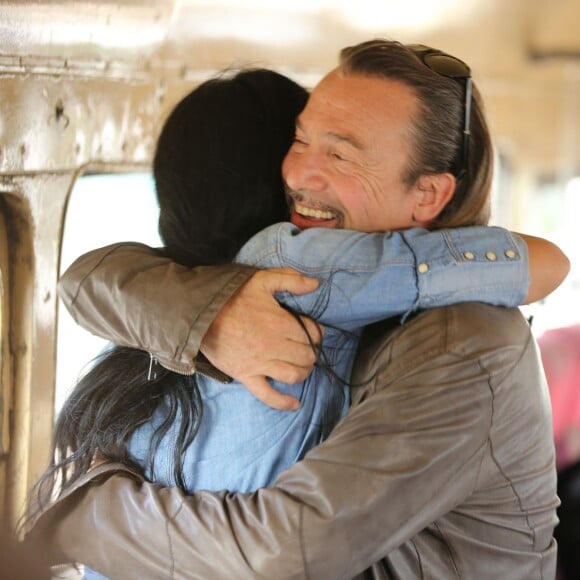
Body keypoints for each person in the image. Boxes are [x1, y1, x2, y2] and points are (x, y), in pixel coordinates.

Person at [28, 40, 567, 579]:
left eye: (340, 154)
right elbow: (83, 280)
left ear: (427, 195)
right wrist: (212, 319)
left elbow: (285, 553)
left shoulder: (462, 343)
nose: (298, 173)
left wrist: (90, 518)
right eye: (300, 139)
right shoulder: (274, 272)